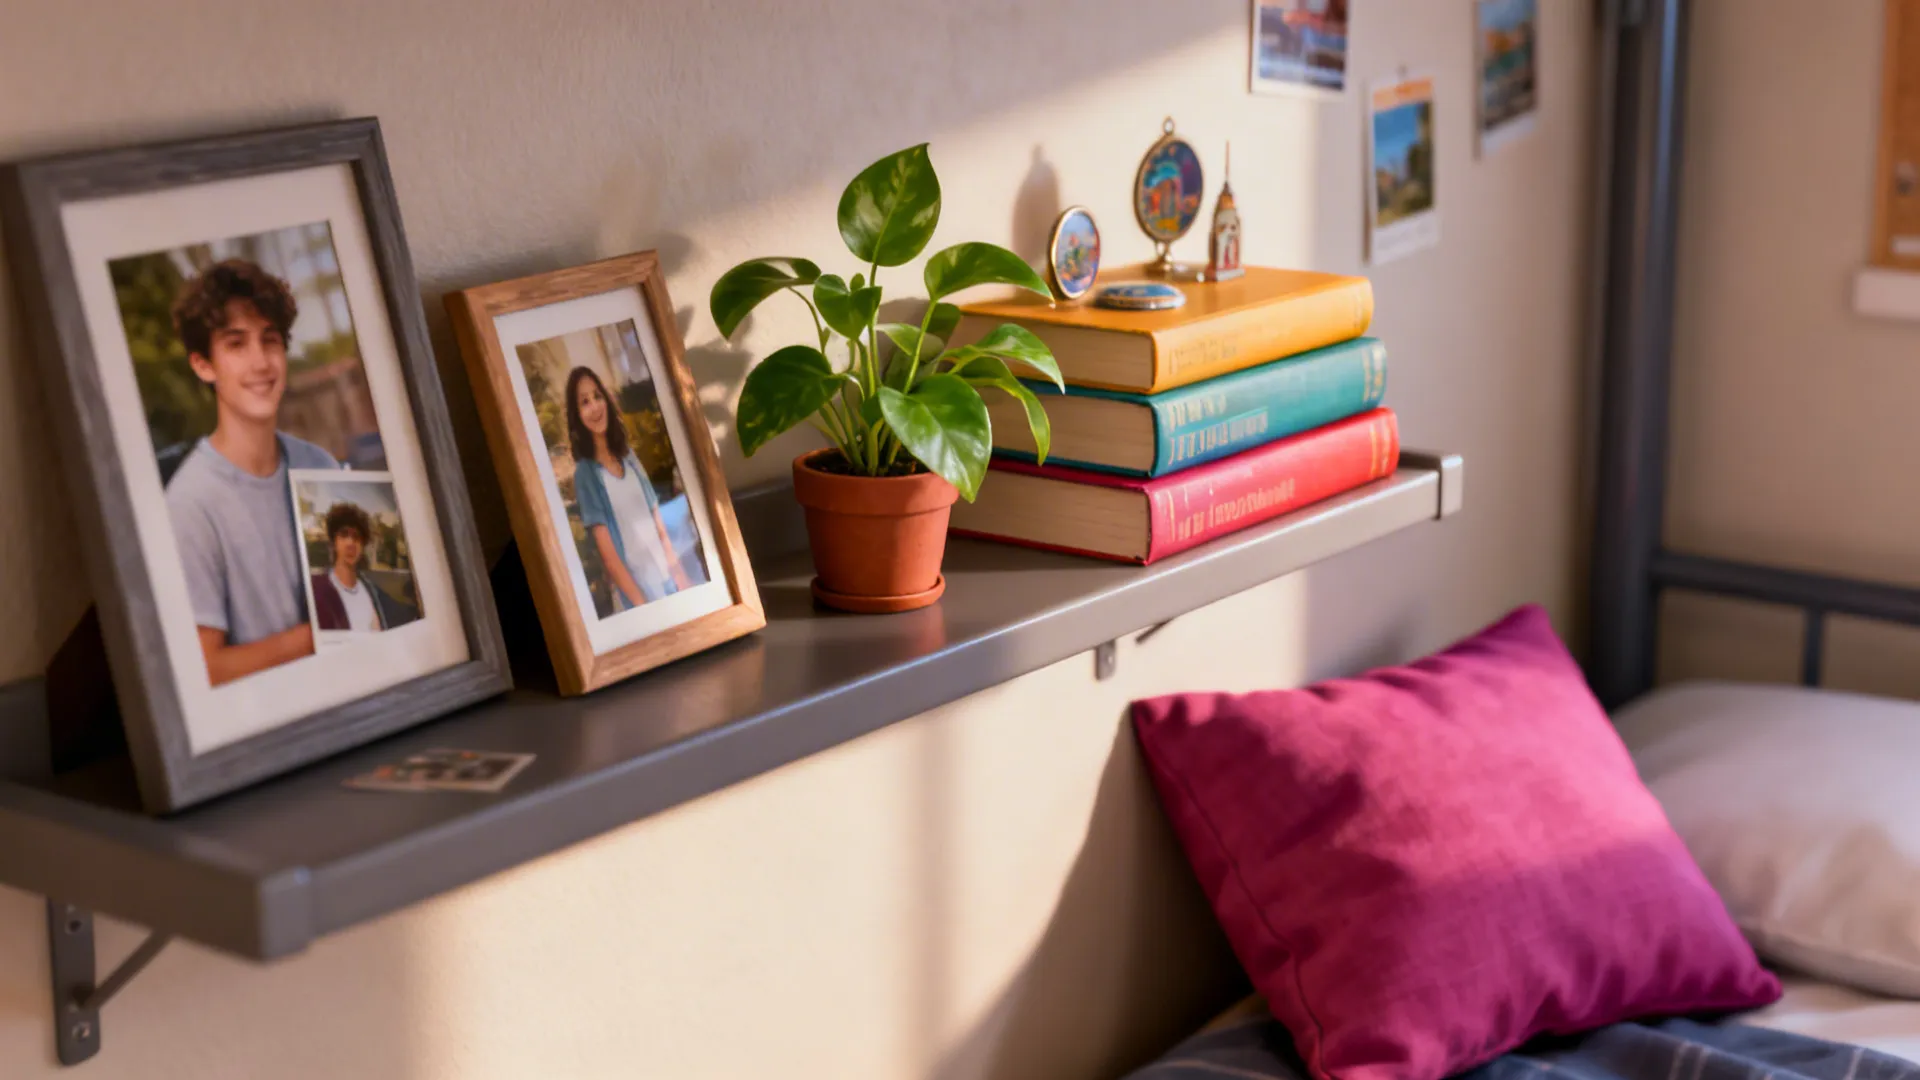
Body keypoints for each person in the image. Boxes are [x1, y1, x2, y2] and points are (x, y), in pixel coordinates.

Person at [164, 258, 339, 686]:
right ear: (204, 365)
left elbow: (368, 604)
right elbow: (205, 669)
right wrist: (318, 637)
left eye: (270, 340)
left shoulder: (321, 466)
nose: (260, 362)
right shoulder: (188, 505)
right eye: (237, 344)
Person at [564, 366, 702, 611]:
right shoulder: (586, 475)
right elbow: (610, 558)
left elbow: (657, 519)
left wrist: (679, 575)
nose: (594, 406)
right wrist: (642, 606)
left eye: (597, 396)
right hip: (641, 592)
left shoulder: (628, 456)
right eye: (584, 402)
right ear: (577, 415)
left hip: (670, 579)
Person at [310, 501, 418, 633]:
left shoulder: (372, 591)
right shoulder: (317, 588)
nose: (350, 543)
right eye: (344, 535)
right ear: (334, 542)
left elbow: (406, 614)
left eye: (356, 537)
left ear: (362, 546)